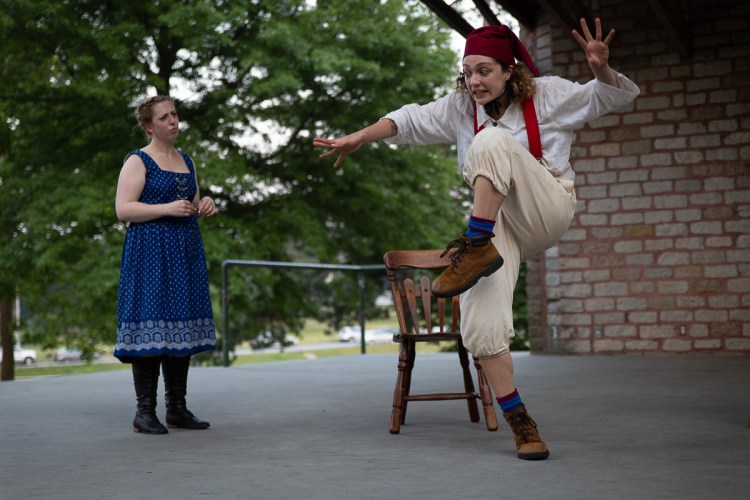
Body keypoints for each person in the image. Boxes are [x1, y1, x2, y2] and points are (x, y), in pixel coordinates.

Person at [314, 19, 639, 459]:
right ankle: (522, 423)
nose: (474, 81)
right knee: (479, 327)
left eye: (484, 70)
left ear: (510, 70)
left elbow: (610, 97)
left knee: (489, 143)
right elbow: (409, 119)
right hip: (499, 222)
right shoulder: (459, 106)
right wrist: (359, 138)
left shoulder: (547, 94)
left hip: (547, 205)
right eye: (467, 72)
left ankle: (475, 242)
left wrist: (600, 67)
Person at [115, 95, 217, 434]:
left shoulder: (186, 160)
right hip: (149, 253)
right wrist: (167, 209)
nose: (173, 120)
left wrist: (204, 203)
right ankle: (144, 412)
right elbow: (124, 209)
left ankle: (177, 408)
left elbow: (191, 201)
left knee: (180, 326)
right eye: (164, 117)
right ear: (149, 126)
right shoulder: (138, 161)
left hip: (184, 251)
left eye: (175, 114)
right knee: (151, 326)